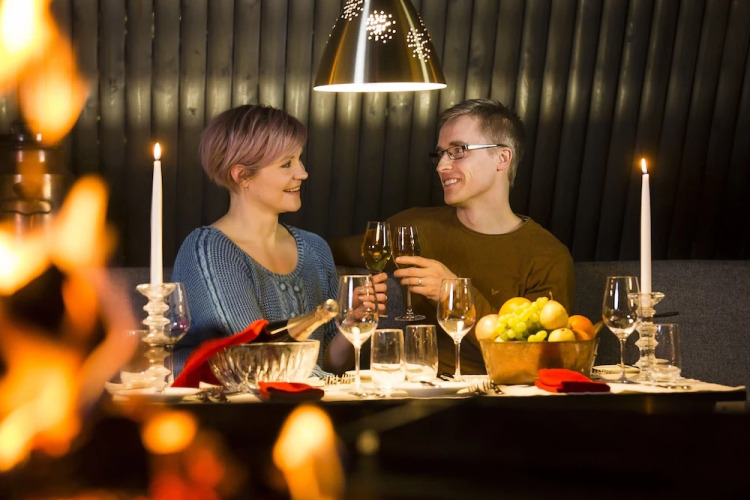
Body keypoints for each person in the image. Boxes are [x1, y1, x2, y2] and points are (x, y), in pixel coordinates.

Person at [330, 99, 574, 375]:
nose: (441, 166)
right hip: (414, 392)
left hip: (499, 396)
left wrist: (455, 294)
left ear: (502, 158)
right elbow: (325, 251)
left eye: (458, 151)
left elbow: (537, 364)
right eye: (441, 154)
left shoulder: (548, 255)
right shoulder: (412, 229)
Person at [172, 104, 387, 376]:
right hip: (226, 403)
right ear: (242, 176)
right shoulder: (209, 249)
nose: (302, 173)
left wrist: (352, 325)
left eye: (299, 159)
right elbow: (255, 357)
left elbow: (330, 364)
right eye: (287, 164)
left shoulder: (315, 248)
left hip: (304, 400)